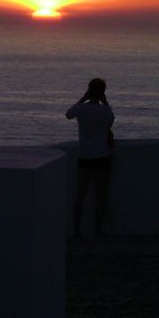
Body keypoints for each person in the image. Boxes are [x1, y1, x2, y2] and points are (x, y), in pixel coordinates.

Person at [66, 77, 116, 238]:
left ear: (89, 90)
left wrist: (82, 98)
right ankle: (97, 230)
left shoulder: (81, 109)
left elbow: (68, 114)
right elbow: (111, 121)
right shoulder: (105, 110)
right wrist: (105, 102)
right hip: (102, 156)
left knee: (80, 194)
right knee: (100, 195)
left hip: (84, 156)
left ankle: (76, 230)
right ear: (103, 92)